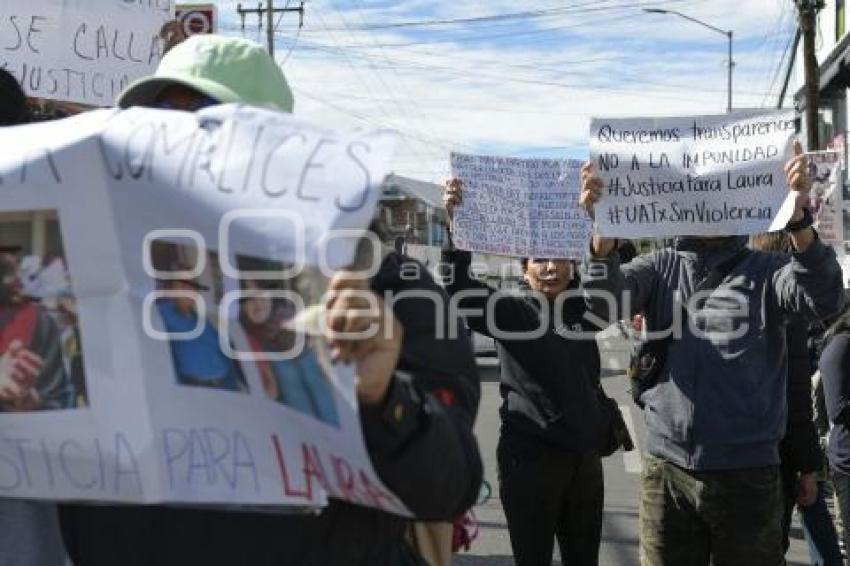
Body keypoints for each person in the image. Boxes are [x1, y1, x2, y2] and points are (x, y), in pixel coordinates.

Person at [58, 34, 482, 566]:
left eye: (210, 128)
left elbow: (449, 485)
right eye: (158, 132)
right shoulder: (95, 276)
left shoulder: (389, 288)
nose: (177, 153)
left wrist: (384, 399)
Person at [580, 146, 845, 565]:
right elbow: (598, 309)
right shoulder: (658, 267)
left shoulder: (769, 269)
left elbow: (827, 298)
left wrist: (799, 221)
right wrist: (601, 245)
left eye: (719, 189)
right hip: (668, 471)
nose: (707, 201)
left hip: (751, 475)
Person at [442, 178, 611, 566]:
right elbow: (460, 288)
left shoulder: (588, 307)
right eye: (539, 259)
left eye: (559, 257)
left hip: (585, 461)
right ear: (524, 268)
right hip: (529, 461)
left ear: (573, 261)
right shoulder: (509, 312)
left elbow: (611, 276)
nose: (550, 267)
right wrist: (455, 225)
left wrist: (597, 217)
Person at [751, 232, 844, 565]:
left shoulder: (747, 294)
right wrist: (807, 466)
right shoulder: (793, 307)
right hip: (778, 448)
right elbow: (797, 397)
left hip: (743, 448)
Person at [239, 278, 340, 426]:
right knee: (296, 397)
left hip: (304, 353)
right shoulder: (249, 332)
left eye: (261, 295)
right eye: (248, 300)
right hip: (280, 360)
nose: (257, 303)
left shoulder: (286, 313)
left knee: (320, 392)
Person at [157, 276, 246, 391]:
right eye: (183, 286)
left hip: (226, 385)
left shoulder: (205, 321)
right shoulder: (163, 313)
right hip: (198, 388)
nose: (189, 291)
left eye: (193, 287)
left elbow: (223, 350)